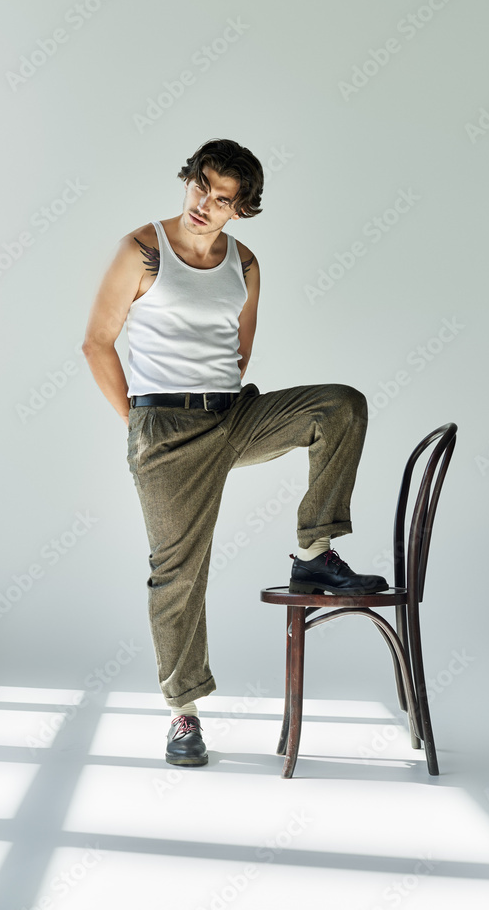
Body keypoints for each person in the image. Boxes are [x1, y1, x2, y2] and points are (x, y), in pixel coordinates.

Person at [82, 138, 387, 767]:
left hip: (232, 414)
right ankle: (184, 713)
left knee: (340, 406)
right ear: (188, 179)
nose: (205, 204)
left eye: (223, 199)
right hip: (164, 428)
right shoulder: (141, 249)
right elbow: (96, 343)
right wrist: (140, 426)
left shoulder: (244, 263)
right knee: (178, 573)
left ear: (240, 209)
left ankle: (314, 555)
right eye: (202, 186)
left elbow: (239, 349)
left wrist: (221, 406)